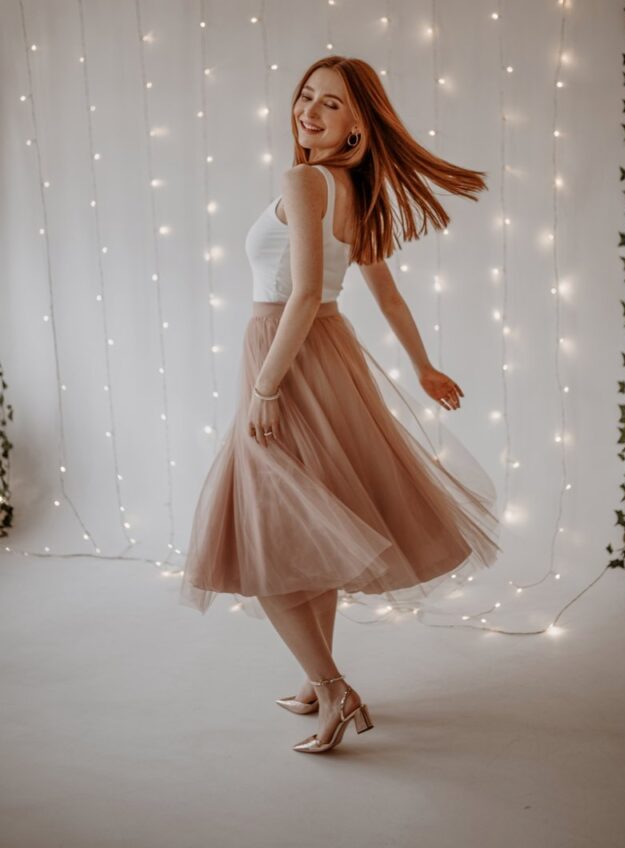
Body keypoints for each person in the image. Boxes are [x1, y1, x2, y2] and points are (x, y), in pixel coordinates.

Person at [179, 55, 502, 754]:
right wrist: (422, 366)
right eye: (306, 96)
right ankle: (314, 676)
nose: (309, 111)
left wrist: (266, 387)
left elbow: (301, 294)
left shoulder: (303, 181)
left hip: (286, 353)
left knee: (262, 534)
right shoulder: (355, 189)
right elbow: (385, 295)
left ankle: (332, 688)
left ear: (358, 123)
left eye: (330, 103)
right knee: (314, 525)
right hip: (328, 354)